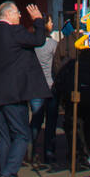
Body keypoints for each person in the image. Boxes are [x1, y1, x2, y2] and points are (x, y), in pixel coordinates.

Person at [0, 2, 47, 177]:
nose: (20, 16)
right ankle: (9, 175)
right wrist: (38, 20)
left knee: (2, 138)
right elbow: (38, 40)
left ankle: (4, 176)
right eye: (18, 13)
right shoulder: (14, 31)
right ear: (9, 14)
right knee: (21, 134)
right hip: (12, 94)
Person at [52, 27, 90, 165]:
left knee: (77, 127)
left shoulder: (71, 54)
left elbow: (58, 71)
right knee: (89, 127)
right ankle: (87, 154)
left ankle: (80, 154)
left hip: (78, 98)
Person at [29, 14, 60, 166]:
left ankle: (34, 151)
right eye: (50, 21)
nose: (52, 23)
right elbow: (57, 66)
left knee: (36, 121)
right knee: (51, 121)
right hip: (51, 86)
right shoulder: (53, 44)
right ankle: (49, 152)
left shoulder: (31, 45)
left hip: (35, 88)